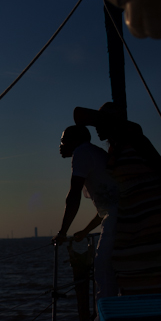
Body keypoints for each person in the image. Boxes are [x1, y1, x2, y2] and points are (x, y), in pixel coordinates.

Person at [74, 102, 161, 295]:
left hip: (155, 209)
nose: (97, 129)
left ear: (112, 123)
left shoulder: (136, 139)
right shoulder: (113, 149)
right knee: (127, 261)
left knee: (153, 261)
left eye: (100, 124)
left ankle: (160, 312)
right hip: (134, 214)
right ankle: (141, 313)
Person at [52, 125, 120, 304]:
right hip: (120, 217)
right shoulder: (93, 152)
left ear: (75, 142)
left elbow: (74, 195)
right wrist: (84, 231)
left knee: (103, 269)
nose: (60, 145)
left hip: (117, 221)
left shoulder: (81, 153)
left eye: (63, 141)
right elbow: (107, 207)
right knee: (113, 270)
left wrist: (62, 232)